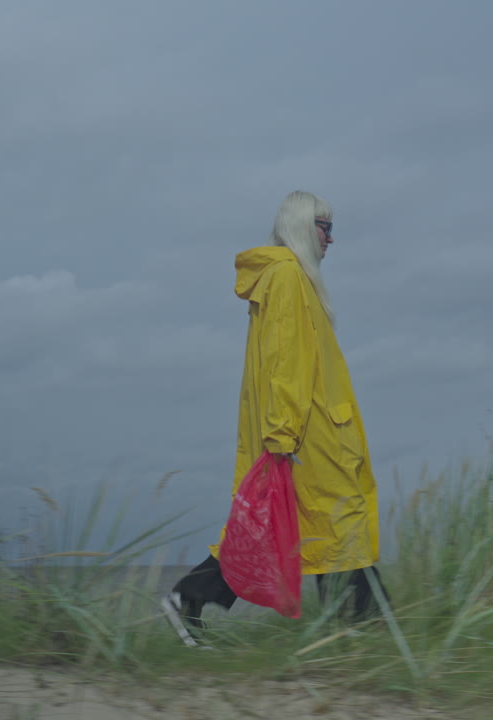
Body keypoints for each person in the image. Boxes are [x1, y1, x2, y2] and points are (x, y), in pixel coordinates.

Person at [161, 190, 389, 646]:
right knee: (338, 527)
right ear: (304, 226)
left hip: (315, 432)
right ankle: (365, 637)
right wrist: (282, 435)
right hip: (308, 436)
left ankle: (192, 598)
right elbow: (285, 360)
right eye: (325, 227)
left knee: (290, 531)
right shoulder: (287, 276)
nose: (331, 239)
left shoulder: (294, 279)